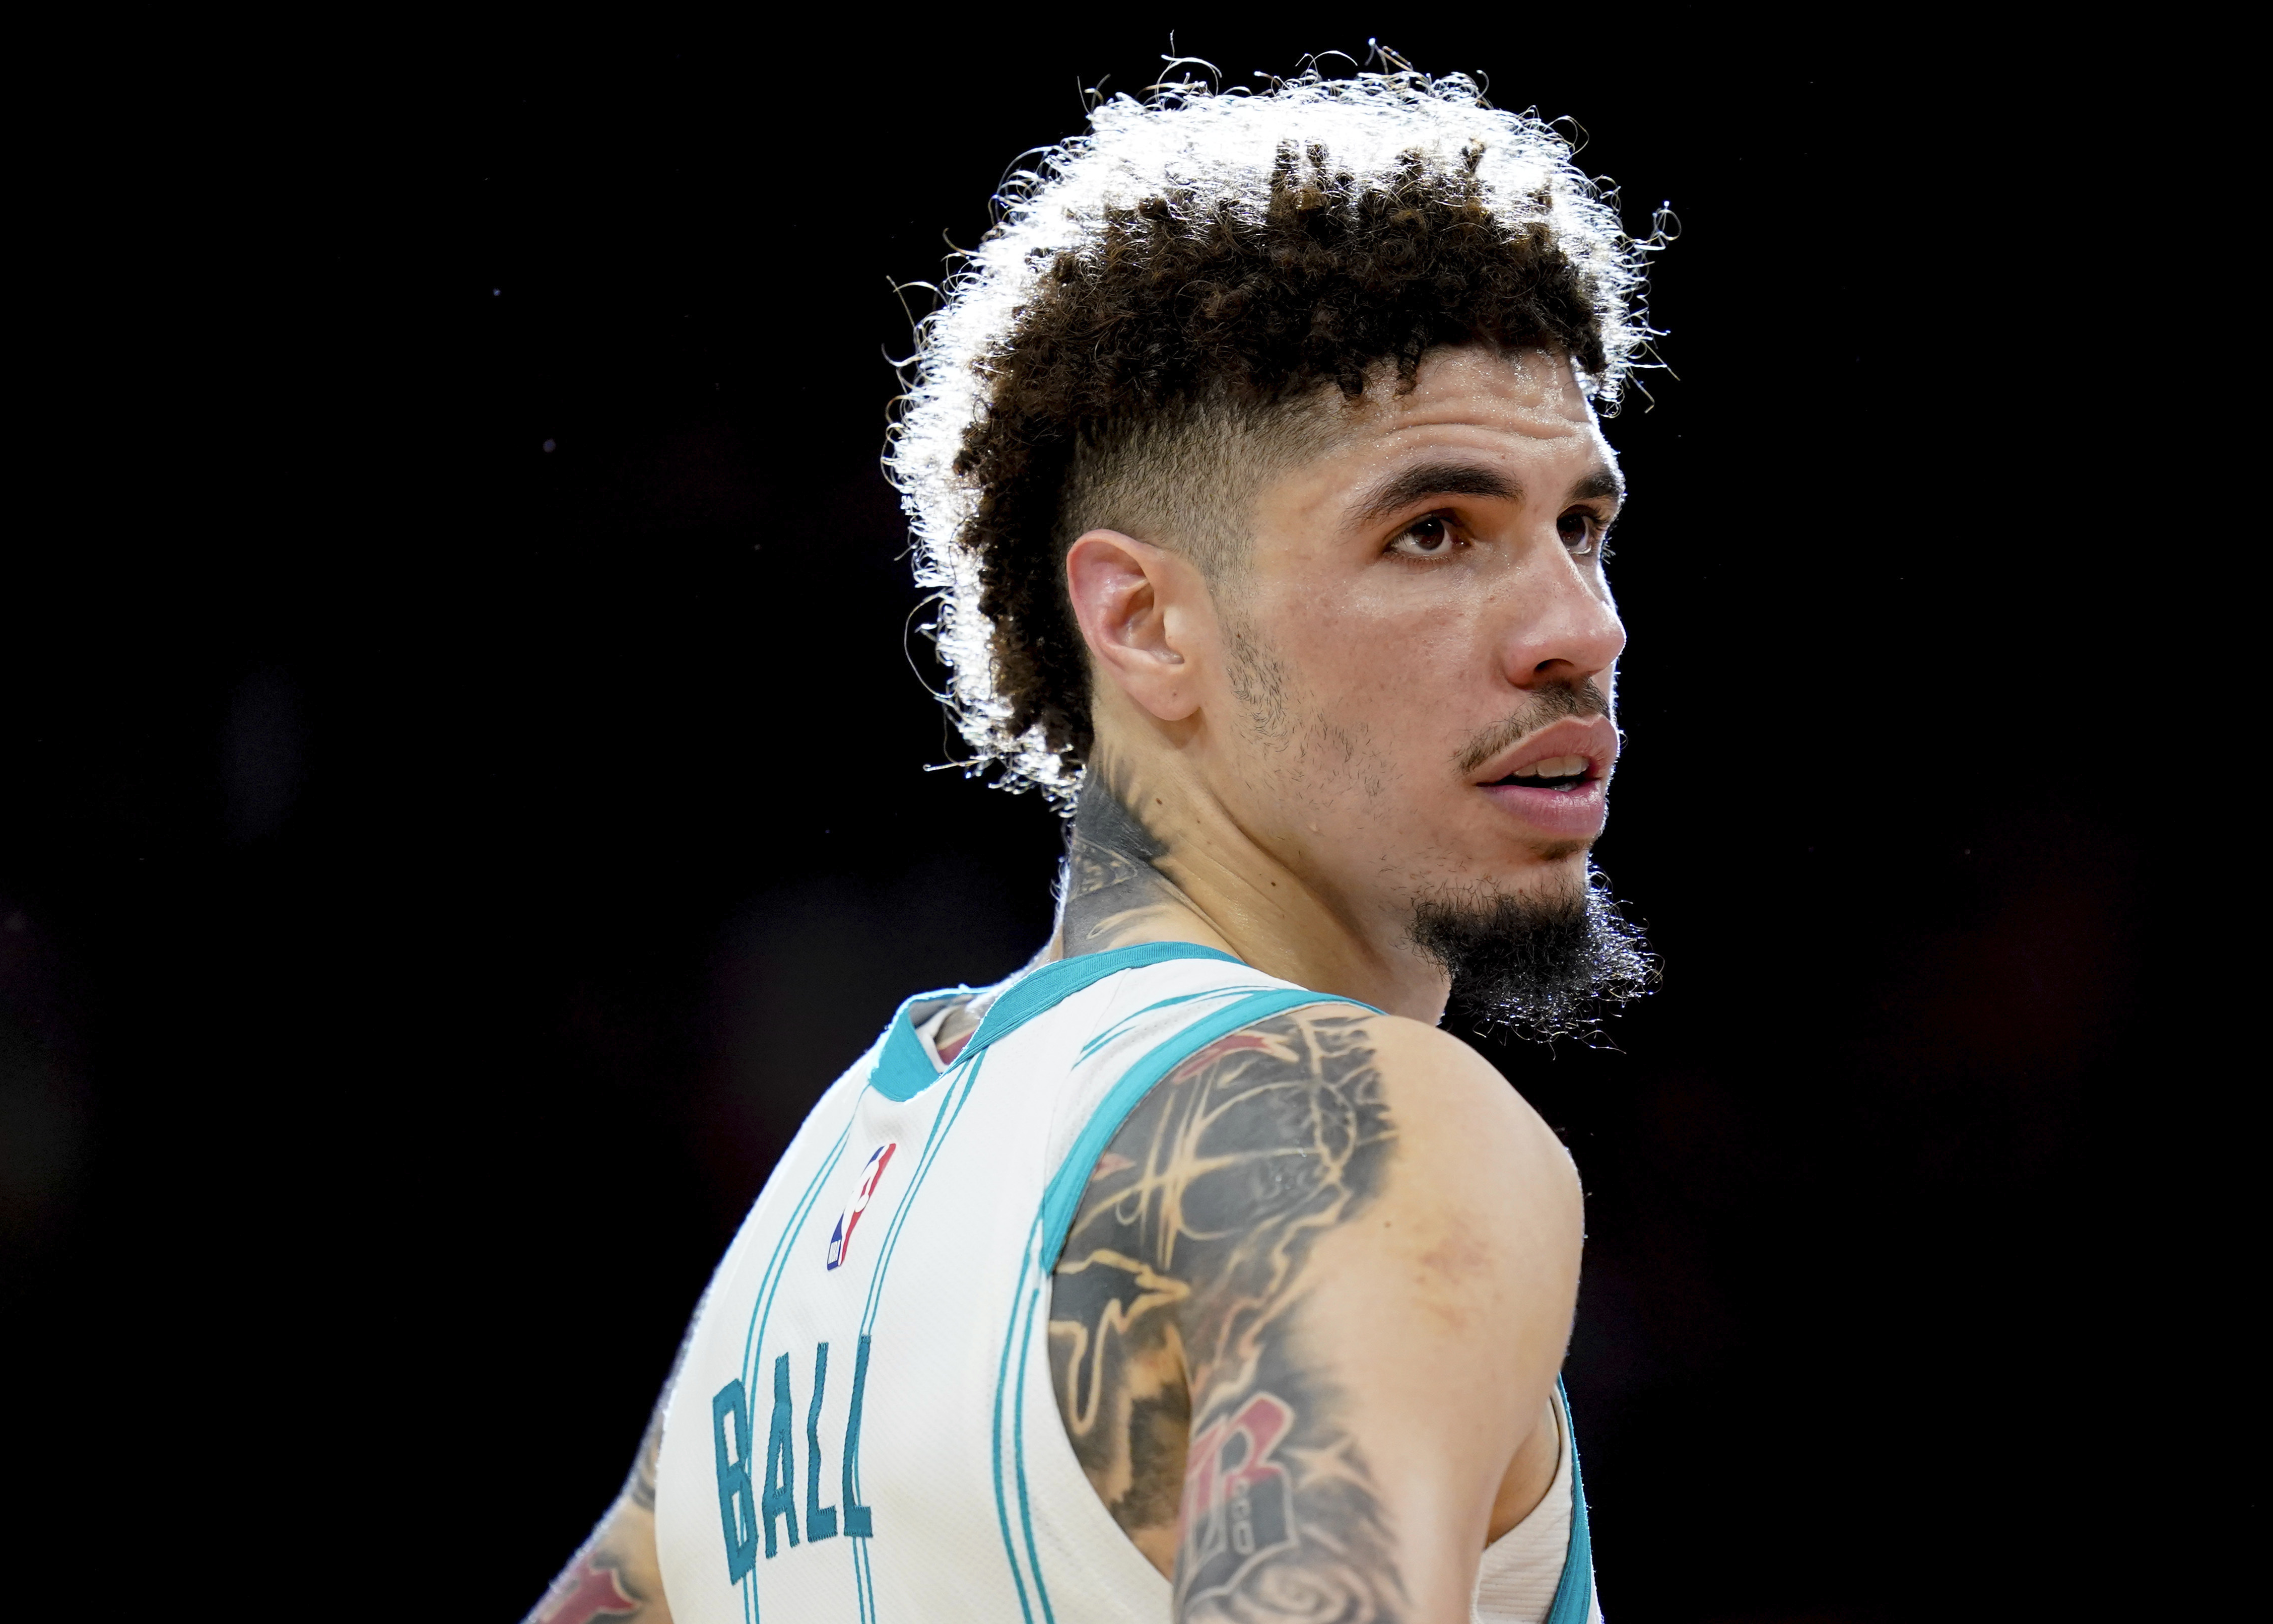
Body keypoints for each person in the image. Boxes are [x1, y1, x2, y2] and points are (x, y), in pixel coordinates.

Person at [528, 59, 1662, 1624]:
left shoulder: (835, 1188)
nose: (1576, 627)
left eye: (1579, 530)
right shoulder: (1368, 1129)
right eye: (1432, 532)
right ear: (1139, 621)